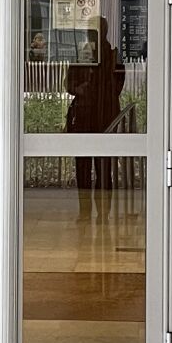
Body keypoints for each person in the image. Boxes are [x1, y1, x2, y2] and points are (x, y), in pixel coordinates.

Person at [66, 19, 126, 220]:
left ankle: (102, 213)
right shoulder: (82, 55)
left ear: (104, 32)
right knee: (83, 167)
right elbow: (69, 84)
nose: (92, 35)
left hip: (104, 117)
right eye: (89, 31)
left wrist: (97, 89)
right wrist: (79, 88)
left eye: (95, 31)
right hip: (84, 116)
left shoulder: (113, 55)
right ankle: (85, 212)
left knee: (103, 167)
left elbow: (117, 86)